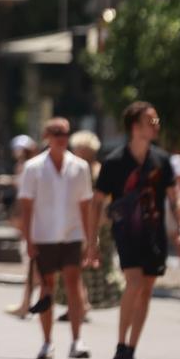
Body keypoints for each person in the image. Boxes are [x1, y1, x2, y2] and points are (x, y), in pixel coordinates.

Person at [89, 101, 180, 359]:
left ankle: (130, 352)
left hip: (154, 235)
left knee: (146, 290)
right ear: (135, 127)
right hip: (127, 233)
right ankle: (121, 346)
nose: (156, 125)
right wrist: (92, 241)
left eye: (157, 121)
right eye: (150, 121)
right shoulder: (114, 163)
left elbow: (174, 196)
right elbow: (96, 203)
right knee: (133, 283)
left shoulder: (162, 160)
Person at [18, 118, 93, 359]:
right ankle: (47, 342)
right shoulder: (33, 168)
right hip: (44, 235)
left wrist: (91, 239)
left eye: (65, 133)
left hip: (72, 234)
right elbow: (26, 206)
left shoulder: (80, 167)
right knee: (47, 287)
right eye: (56, 133)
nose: (61, 138)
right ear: (47, 137)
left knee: (73, 284)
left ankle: (76, 339)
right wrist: (28, 239)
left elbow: (85, 205)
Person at [61, 130, 123, 316]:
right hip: (79, 222)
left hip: (98, 224)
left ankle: (85, 303)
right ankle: (80, 303)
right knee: (77, 265)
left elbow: (106, 199)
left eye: (79, 148)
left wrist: (101, 220)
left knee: (96, 264)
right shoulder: (77, 169)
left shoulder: (97, 171)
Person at [6, 134, 42, 319]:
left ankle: (26, 304)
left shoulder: (30, 168)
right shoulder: (35, 167)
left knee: (33, 265)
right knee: (33, 266)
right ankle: (26, 303)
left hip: (32, 221)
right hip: (33, 220)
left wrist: (19, 218)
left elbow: (24, 200)